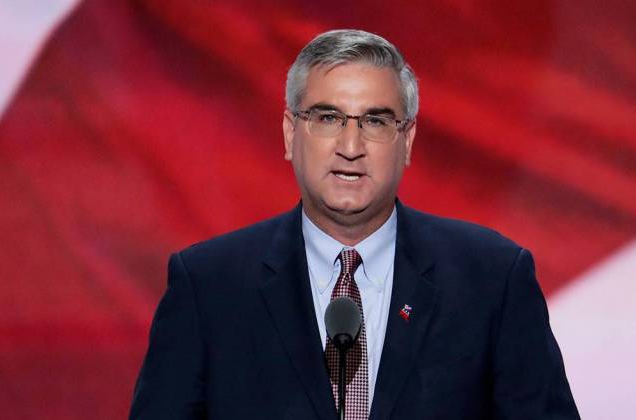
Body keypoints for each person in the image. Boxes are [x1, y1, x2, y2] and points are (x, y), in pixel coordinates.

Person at [129, 29, 579, 420]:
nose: (350, 145)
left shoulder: (492, 279)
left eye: (376, 121)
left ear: (407, 141)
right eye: (327, 118)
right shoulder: (208, 286)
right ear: (290, 134)